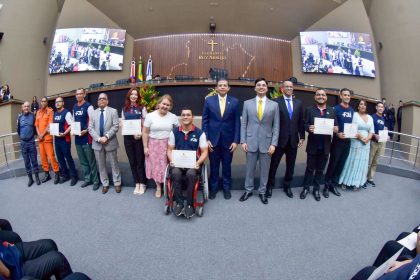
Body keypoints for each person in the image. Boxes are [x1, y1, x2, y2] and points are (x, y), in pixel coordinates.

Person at [239, 78, 280, 205]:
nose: (261, 87)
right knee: (249, 169)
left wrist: (274, 144)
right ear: (255, 88)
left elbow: (276, 126)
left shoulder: (274, 105)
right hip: (250, 141)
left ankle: (262, 192)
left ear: (267, 88)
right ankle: (248, 190)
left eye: (263, 85)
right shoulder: (247, 103)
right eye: (258, 85)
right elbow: (244, 123)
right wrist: (243, 141)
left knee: (264, 170)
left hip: (267, 143)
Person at [202, 78, 240, 200]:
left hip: (229, 141)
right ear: (216, 88)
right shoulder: (209, 101)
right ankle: (213, 189)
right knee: (213, 166)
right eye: (220, 85)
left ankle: (226, 188)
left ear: (228, 88)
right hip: (212, 140)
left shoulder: (235, 101)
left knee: (227, 166)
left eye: (225, 85)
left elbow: (237, 123)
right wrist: (206, 139)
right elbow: (205, 121)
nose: (222, 87)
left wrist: (235, 140)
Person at [167, 108, 208, 219]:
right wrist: (172, 160)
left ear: (192, 117)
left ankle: (190, 204)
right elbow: (169, 149)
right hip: (178, 164)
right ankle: (179, 203)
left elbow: (205, 152)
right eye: (183, 115)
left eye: (188, 115)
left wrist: (198, 163)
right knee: (175, 173)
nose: (185, 117)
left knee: (191, 174)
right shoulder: (174, 132)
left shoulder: (200, 133)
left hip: (193, 164)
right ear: (181, 117)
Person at [267, 80, 305, 199]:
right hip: (278, 140)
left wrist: (302, 136)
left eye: (291, 87)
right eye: (286, 87)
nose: (289, 88)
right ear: (282, 89)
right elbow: (271, 123)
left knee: (291, 165)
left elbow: (300, 121)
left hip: (293, 140)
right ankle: (269, 186)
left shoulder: (299, 103)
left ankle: (287, 186)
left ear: (293, 89)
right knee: (273, 165)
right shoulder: (275, 102)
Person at [300, 89, 338, 202]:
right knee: (310, 169)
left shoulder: (332, 110)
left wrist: (336, 129)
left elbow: (336, 125)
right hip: (312, 145)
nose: (321, 96)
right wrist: (308, 128)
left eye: (323, 95)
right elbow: (305, 124)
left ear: (326, 97)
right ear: (315, 97)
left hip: (326, 146)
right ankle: (306, 188)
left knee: (320, 170)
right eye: (318, 95)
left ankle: (316, 189)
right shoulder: (309, 110)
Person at [143, 94, 179, 198]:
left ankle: (168, 185)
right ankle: (158, 187)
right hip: (153, 145)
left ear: (170, 107)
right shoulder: (150, 116)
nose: (165, 106)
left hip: (168, 145)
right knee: (155, 167)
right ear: (159, 103)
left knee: (168, 166)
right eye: (163, 103)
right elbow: (145, 132)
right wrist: (145, 147)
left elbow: (178, 131)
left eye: (168, 105)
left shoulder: (173, 117)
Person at [88, 93, 121, 194]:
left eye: (104, 98)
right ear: (97, 101)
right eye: (99, 99)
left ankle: (117, 183)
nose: (101, 100)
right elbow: (90, 128)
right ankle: (105, 184)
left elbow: (115, 126)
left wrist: (106, 136)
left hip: (110, 141)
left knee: (114, 164)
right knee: (101, 165)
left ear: (107, 101)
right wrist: (98, 139)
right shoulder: (93, 113)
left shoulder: (113, 111)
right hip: (98, 143)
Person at [324, 88, 354, 197]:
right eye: (345, 95)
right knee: (333, 164)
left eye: (348, 95)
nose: (347, 97)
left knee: (341, 165)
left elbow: (352, 125)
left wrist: (354, 133)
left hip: (348, 141)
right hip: (337, 141)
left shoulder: (351, 110)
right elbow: (330, 125)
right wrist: (337, 134)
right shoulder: (335, 109)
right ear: (340, 96)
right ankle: (326, 186)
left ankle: (333, 185)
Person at [339, 99, 374, 189]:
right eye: (361, 104)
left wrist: (367, 139)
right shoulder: (354, 115)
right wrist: (361, 138)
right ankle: (345, 181)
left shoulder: (370, 117)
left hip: (366, 144)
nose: (363, 106)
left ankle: (357, 182)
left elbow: (371, 131)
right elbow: (352, 128)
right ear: (358, 106)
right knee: (352, 161)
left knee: (362, 163)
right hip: (355, 141)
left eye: (364, 104)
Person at [0, 237, 73, 280]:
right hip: (15, 273)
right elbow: (7, 273)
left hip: (10, 250)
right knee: (58, 259)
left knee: (50, 244)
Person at [121, 88, 148, 195]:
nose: (133, 96)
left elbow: (146, 124)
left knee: (140, 161)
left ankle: (143, 183)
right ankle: (136, 183)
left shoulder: (142, 108)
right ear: (129, 96)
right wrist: (121, 124)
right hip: (127, 138)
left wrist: (141, 133)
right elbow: (123, 122)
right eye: (132, 94)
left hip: (139, 137)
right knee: (132, 162)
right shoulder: (124, 109)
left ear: (138, 97)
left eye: (135, 95)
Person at [73, 88, 100, 191]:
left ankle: (96, 181)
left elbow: (92, 121)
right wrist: (73, 130)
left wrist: (86, 130)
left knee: (91, 160)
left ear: (84, 94)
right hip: (77, 138)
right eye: (77, 94)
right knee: (83, 161)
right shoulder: (75, 106)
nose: (79, 95)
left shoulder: (89, 106)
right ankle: (88, 179)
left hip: (87, 137)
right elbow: (74, 121)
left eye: (80, 93)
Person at [35, 97, 60, 184]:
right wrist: (39, 134)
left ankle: (57, 173)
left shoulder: (50, 111)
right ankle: (47, 174)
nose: (43, 102)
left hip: (47, 138)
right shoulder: (38, 112)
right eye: (42, 101)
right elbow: (36, 125)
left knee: (51, 157)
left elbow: (50, 124)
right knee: (43, 158)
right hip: (40, 139)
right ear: (40, 103)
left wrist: (42, 134)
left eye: (45, 101)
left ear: (47, 102)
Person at [53, 97, 78, 186]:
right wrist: (50, 130)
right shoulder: (55, 114)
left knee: (68, 158)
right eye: (56, 102)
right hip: (57, 140)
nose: (57, 103)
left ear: (63, 103)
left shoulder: (67, 113)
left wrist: (64, 133)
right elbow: (54, 126)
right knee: (60, 158)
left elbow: (72, 125)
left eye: (59, 102)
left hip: (65, 139)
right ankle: (65, 175)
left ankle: (74, 176)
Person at [17, 102, 41, 187]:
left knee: (34, 161)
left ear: (29, 107)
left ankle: (37, 177)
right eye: (25, 106)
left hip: (31, 142)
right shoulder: (20, 118)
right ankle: (30, 179)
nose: (26, 108)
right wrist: (23, 137)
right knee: (26, 162)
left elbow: (35, 128)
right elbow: (18, 130)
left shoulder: (33, 116)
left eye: (28, 106)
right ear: (22, 107)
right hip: (23, 143)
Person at [366, 101, 387, 187]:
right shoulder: (372, 117)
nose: (381, 108)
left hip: (380, 143)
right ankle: (363, 179)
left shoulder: (383, 118)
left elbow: (383, 128)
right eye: (379, 106)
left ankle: (370, 178)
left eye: (382, 107)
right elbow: (369, 129)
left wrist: (386, 133)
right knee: (369, 161)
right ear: (376, 107)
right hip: (373, 142)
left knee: (375, 162)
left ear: (383, 109)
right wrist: (374, 135)